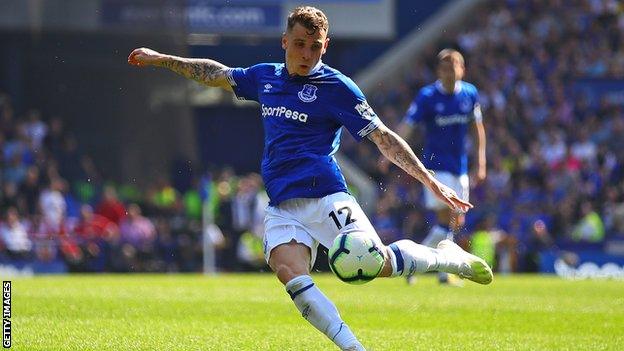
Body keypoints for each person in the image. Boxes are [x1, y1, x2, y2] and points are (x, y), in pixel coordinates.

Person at [128, 6, 492, 350]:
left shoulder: (338, 88)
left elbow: (383, 137)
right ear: (285, 41)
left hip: (328, 196)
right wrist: (162, 59)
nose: (307, 53)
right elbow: (216, 73)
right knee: (290, 273)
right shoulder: (265, 77)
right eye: (300, 44)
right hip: (282, 205)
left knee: (369, 266)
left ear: (325, 46)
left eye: (315, 46)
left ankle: (447, 257)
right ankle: (353, 346)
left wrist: (428, 179)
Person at [396, 49, 487, 285]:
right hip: (436, 168)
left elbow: (478, 131)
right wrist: (391, 149)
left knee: (456, 222)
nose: (450, 72)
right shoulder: (427, 96)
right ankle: (431, 269)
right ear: (439, 71)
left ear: (462, 70)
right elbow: (409, 124)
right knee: (446, 218)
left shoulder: (469, 93)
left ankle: (417, 265)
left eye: (454, 67)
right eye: (445, 68)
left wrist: (481, 162)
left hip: (460, 167)